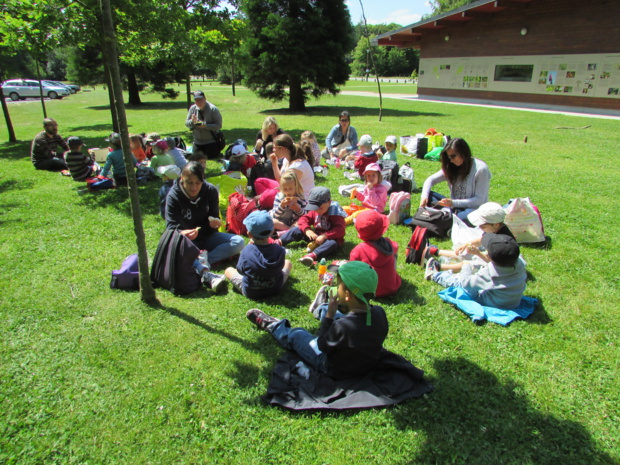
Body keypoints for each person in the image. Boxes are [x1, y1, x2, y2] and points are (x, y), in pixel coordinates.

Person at [246, 261, 389, 380]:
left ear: (347, 295)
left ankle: (273, 325)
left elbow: (322, 345)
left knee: (298, 335)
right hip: (364, 363)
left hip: (333, 368)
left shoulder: (342, 326)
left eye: (338, 285)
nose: (335, 287)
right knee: (335, 314)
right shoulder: (379, 313)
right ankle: (321, 308)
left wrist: (329, 317)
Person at [165, 161, 245, 289]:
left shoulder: (210, 190)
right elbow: (171, 228)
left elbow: (215, 216)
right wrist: (183, 233)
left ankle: (202, 261)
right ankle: (204, 271)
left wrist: (216, 222)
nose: (194, 187)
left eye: (198, 183)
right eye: (189, 182)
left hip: (208, 237)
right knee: (176, 251)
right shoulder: (174, 196)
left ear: (203, 180)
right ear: (182, 179)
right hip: (187, 242)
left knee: (238, 242)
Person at [425, 233, 526, 310]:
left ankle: (434, 275)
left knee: (460, 283)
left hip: (493, 303)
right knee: (474, 271)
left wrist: (465, 266)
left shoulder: (491, 273)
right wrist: (477, 253)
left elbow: (466, 283)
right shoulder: (519, 262)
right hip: (512, 301)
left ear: (490, 256)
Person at [422, 202, 515, 272]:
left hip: (497, 267)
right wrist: (467, 244)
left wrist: (478, 253)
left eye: (482, 226)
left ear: (496, 224)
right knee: (466, 252)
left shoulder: (501, 242)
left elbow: (491, 262)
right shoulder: (493, 230)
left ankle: (437, 267)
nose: (479, 227)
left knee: (470, 264)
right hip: (489, 256)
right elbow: (482, 240)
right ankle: (434, 251)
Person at [420, 138, 491, 224]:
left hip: (472, 209)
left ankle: (445, 216)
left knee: (467, 217)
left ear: (463, 152)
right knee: (429, 195)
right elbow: (430, 180)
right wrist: (424, 197)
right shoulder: (451, 166)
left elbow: (479, 200)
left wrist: (453, 203)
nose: (451, 160)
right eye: (449, 157)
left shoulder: (481, 169)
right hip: (453, 206)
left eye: (453, 156)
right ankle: (447, 216)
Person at [224, 211, 292, 299]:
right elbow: (280, 268)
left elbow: (240, 270)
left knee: (228, 270)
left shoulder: (246, 251)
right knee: (288, 262)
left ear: (249, 234)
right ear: (272, 232)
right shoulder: (279, 250)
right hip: (275, 288)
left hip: (251, 292)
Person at [276, 186, 346, 267]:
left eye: (320, 208)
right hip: (315, 235)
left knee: (333, 244)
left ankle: (312, 255)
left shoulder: (335, 213)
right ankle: (278, 242)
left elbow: (340, 230)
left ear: (329, 202)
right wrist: (307, 230)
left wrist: (325, 236)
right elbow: (303, 219)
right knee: (297, 229)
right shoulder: (315, 211)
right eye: (315, 208)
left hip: (329, 239)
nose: (317, 211)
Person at [350, 210, 401, 298]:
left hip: (370, 291)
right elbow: (396, 247)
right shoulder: (388, 243)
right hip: (393, 287)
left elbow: (351, 270)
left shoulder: (358, 250)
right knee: (394, 254)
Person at [270, 133, 315, 199]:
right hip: (287, 190)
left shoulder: (297, 167)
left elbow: (286, 187)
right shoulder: (286, 160)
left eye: (274, 148)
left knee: (269, 194)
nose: (273, 150)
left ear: (282, 149)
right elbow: (280, 180)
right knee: (260, 181)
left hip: (300, 199)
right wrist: (274, 164)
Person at [185, 90, 222, 159]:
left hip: (210, 141)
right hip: (197, 142)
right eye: (196, 100)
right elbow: (187, 124)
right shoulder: (192, 109)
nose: (199, 102)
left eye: (200, 100)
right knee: (196, 159)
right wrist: (192, 121)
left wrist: (206, 126)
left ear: (205, 99)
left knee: (210, 157)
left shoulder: (213, 109)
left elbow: (219, 125)